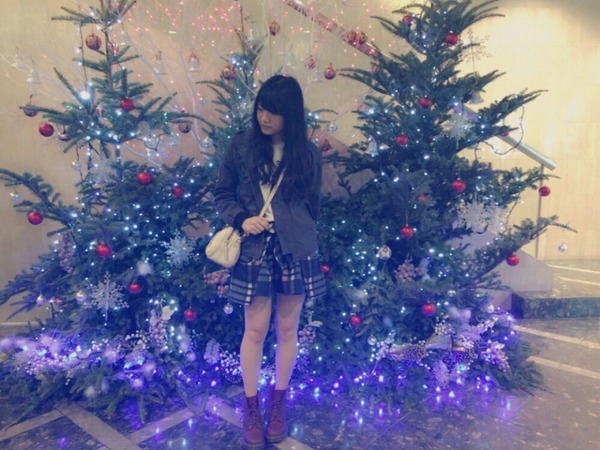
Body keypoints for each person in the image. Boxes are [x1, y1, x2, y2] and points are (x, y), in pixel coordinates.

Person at [213, 74, 326, 449]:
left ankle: (278, 403)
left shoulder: (307, 153)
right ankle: (252, 408)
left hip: (295, 247)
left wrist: (299, 231)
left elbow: (313, 203)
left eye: (274, 112)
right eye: (261, 109)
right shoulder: (241, 146)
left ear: (290, 115)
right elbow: (222, 193)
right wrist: (240, 219)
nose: (265, 118)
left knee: (288, 329)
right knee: (255, 330)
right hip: (255, 248)